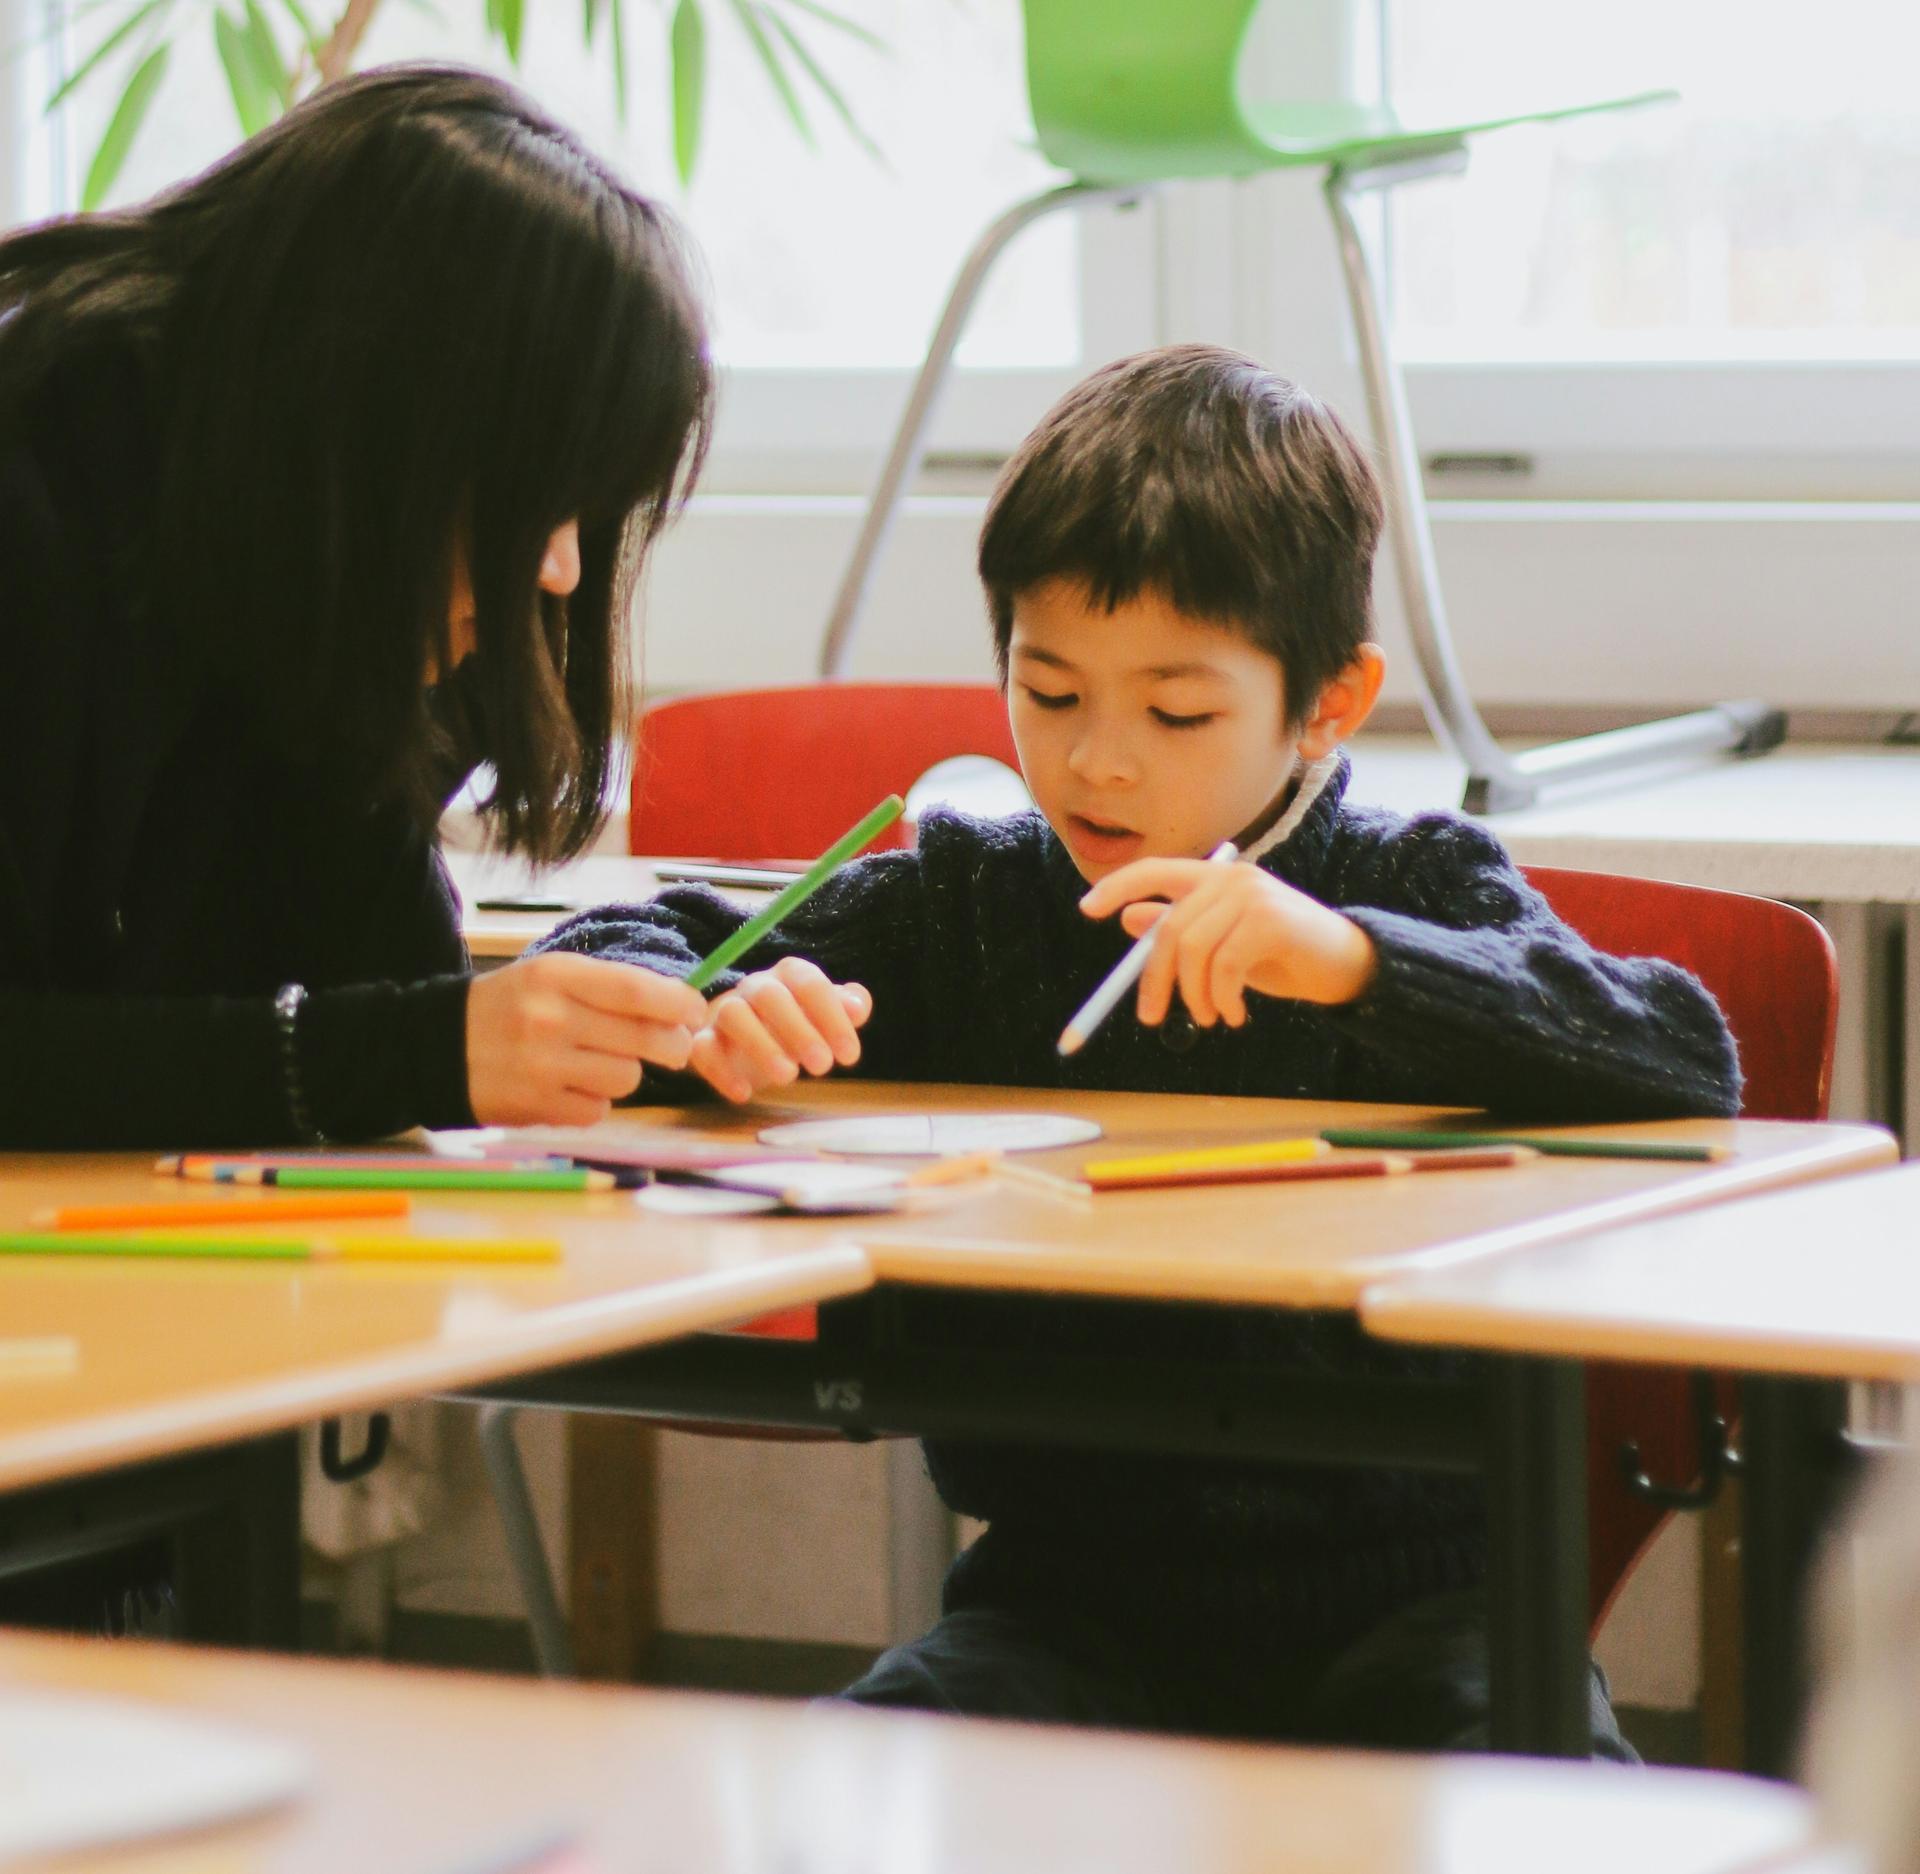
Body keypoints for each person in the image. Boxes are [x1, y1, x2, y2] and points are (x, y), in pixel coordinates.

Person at [536, 343, 1741, 1754]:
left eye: (1177, 711)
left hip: (1424, 1613)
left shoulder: (1401, 884)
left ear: (1328, 704)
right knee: (836, 1792)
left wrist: (1351, 961)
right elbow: (597, 956)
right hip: (1062, 1608)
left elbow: (1683, 1054)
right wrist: (710, 1016)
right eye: (1049, 694)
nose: (1100, 761)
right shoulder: (969, 898)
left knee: (1544, 1823)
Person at [0, 65, 713, 1151]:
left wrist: (663, 1032)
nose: (562, 567)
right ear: (387, 422)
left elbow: (376, 998)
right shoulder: (39, 495)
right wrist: (422, 1051)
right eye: (539, 492)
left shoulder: (314, 585)